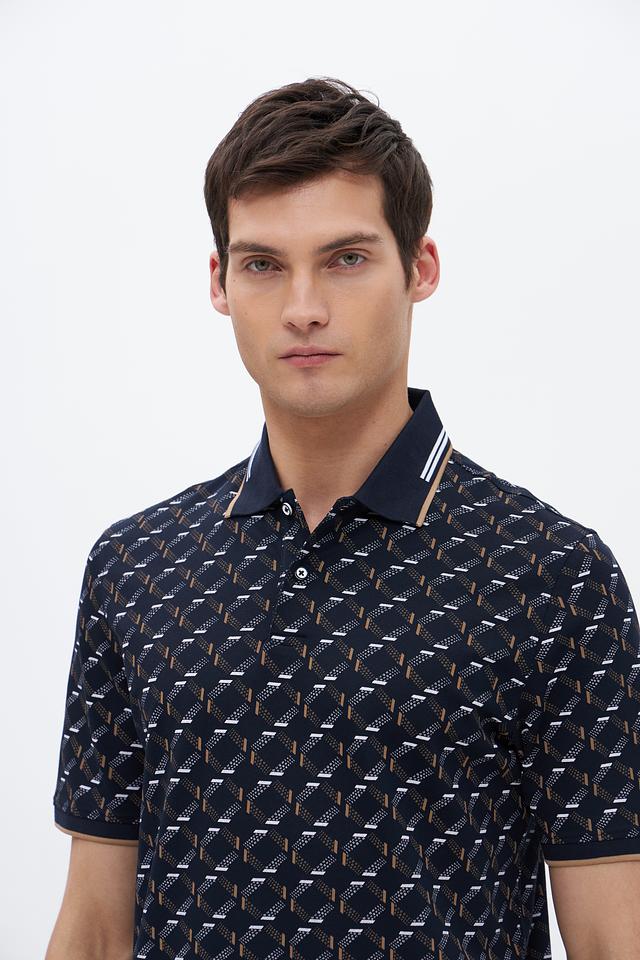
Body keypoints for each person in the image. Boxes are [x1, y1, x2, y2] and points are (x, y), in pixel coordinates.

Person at [46, 76, 640, 960]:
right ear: (219, 281)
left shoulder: (553, 577)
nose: (303, 309)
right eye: (263, 264)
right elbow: (94, 932)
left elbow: (614, 942)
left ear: (420, 268)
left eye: (346, 259)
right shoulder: (137, 568)